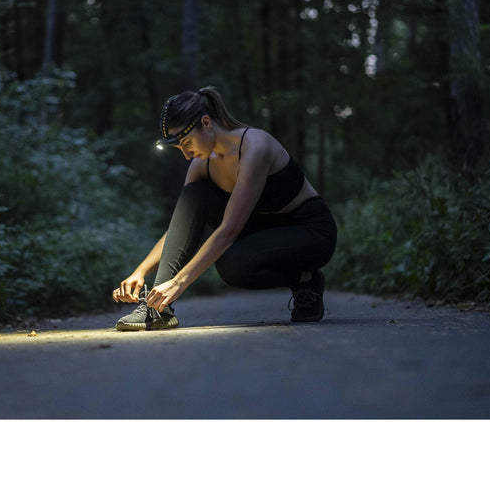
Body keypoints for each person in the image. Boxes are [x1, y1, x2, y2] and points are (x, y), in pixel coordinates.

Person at [112, 86, 337, 331]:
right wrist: (141, 270)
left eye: (187, 143)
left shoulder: (255, 146)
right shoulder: (202, 164)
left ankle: (307, 280)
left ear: (206, 123)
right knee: (194, 195)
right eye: (180, 149)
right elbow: (182, 227)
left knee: (233, 264)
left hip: (309, 230)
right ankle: (157, 309)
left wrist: (178, 283)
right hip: (261, 229)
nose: (187, 155)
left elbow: (229, 231)